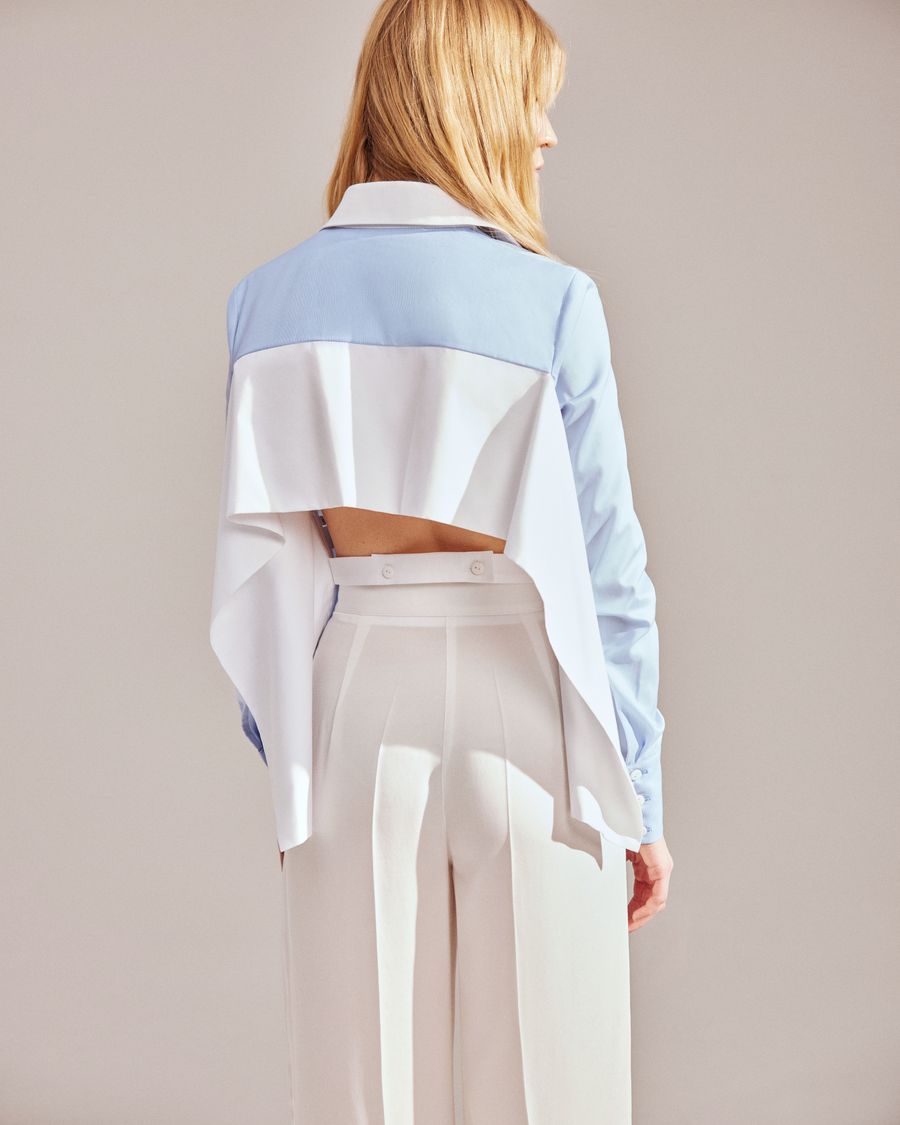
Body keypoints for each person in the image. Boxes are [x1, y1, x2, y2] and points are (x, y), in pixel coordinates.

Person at [209, 0, 674, 1120]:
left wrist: (292, 762)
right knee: (552, 1091)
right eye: (535, 102)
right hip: (535, 701)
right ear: (471, 104)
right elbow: (609, 572)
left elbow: (261, 569)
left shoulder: (264, 301)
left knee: (357, 1089)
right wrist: (643, 792)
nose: (548, 134)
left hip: (355, 693)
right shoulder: (555, 300)